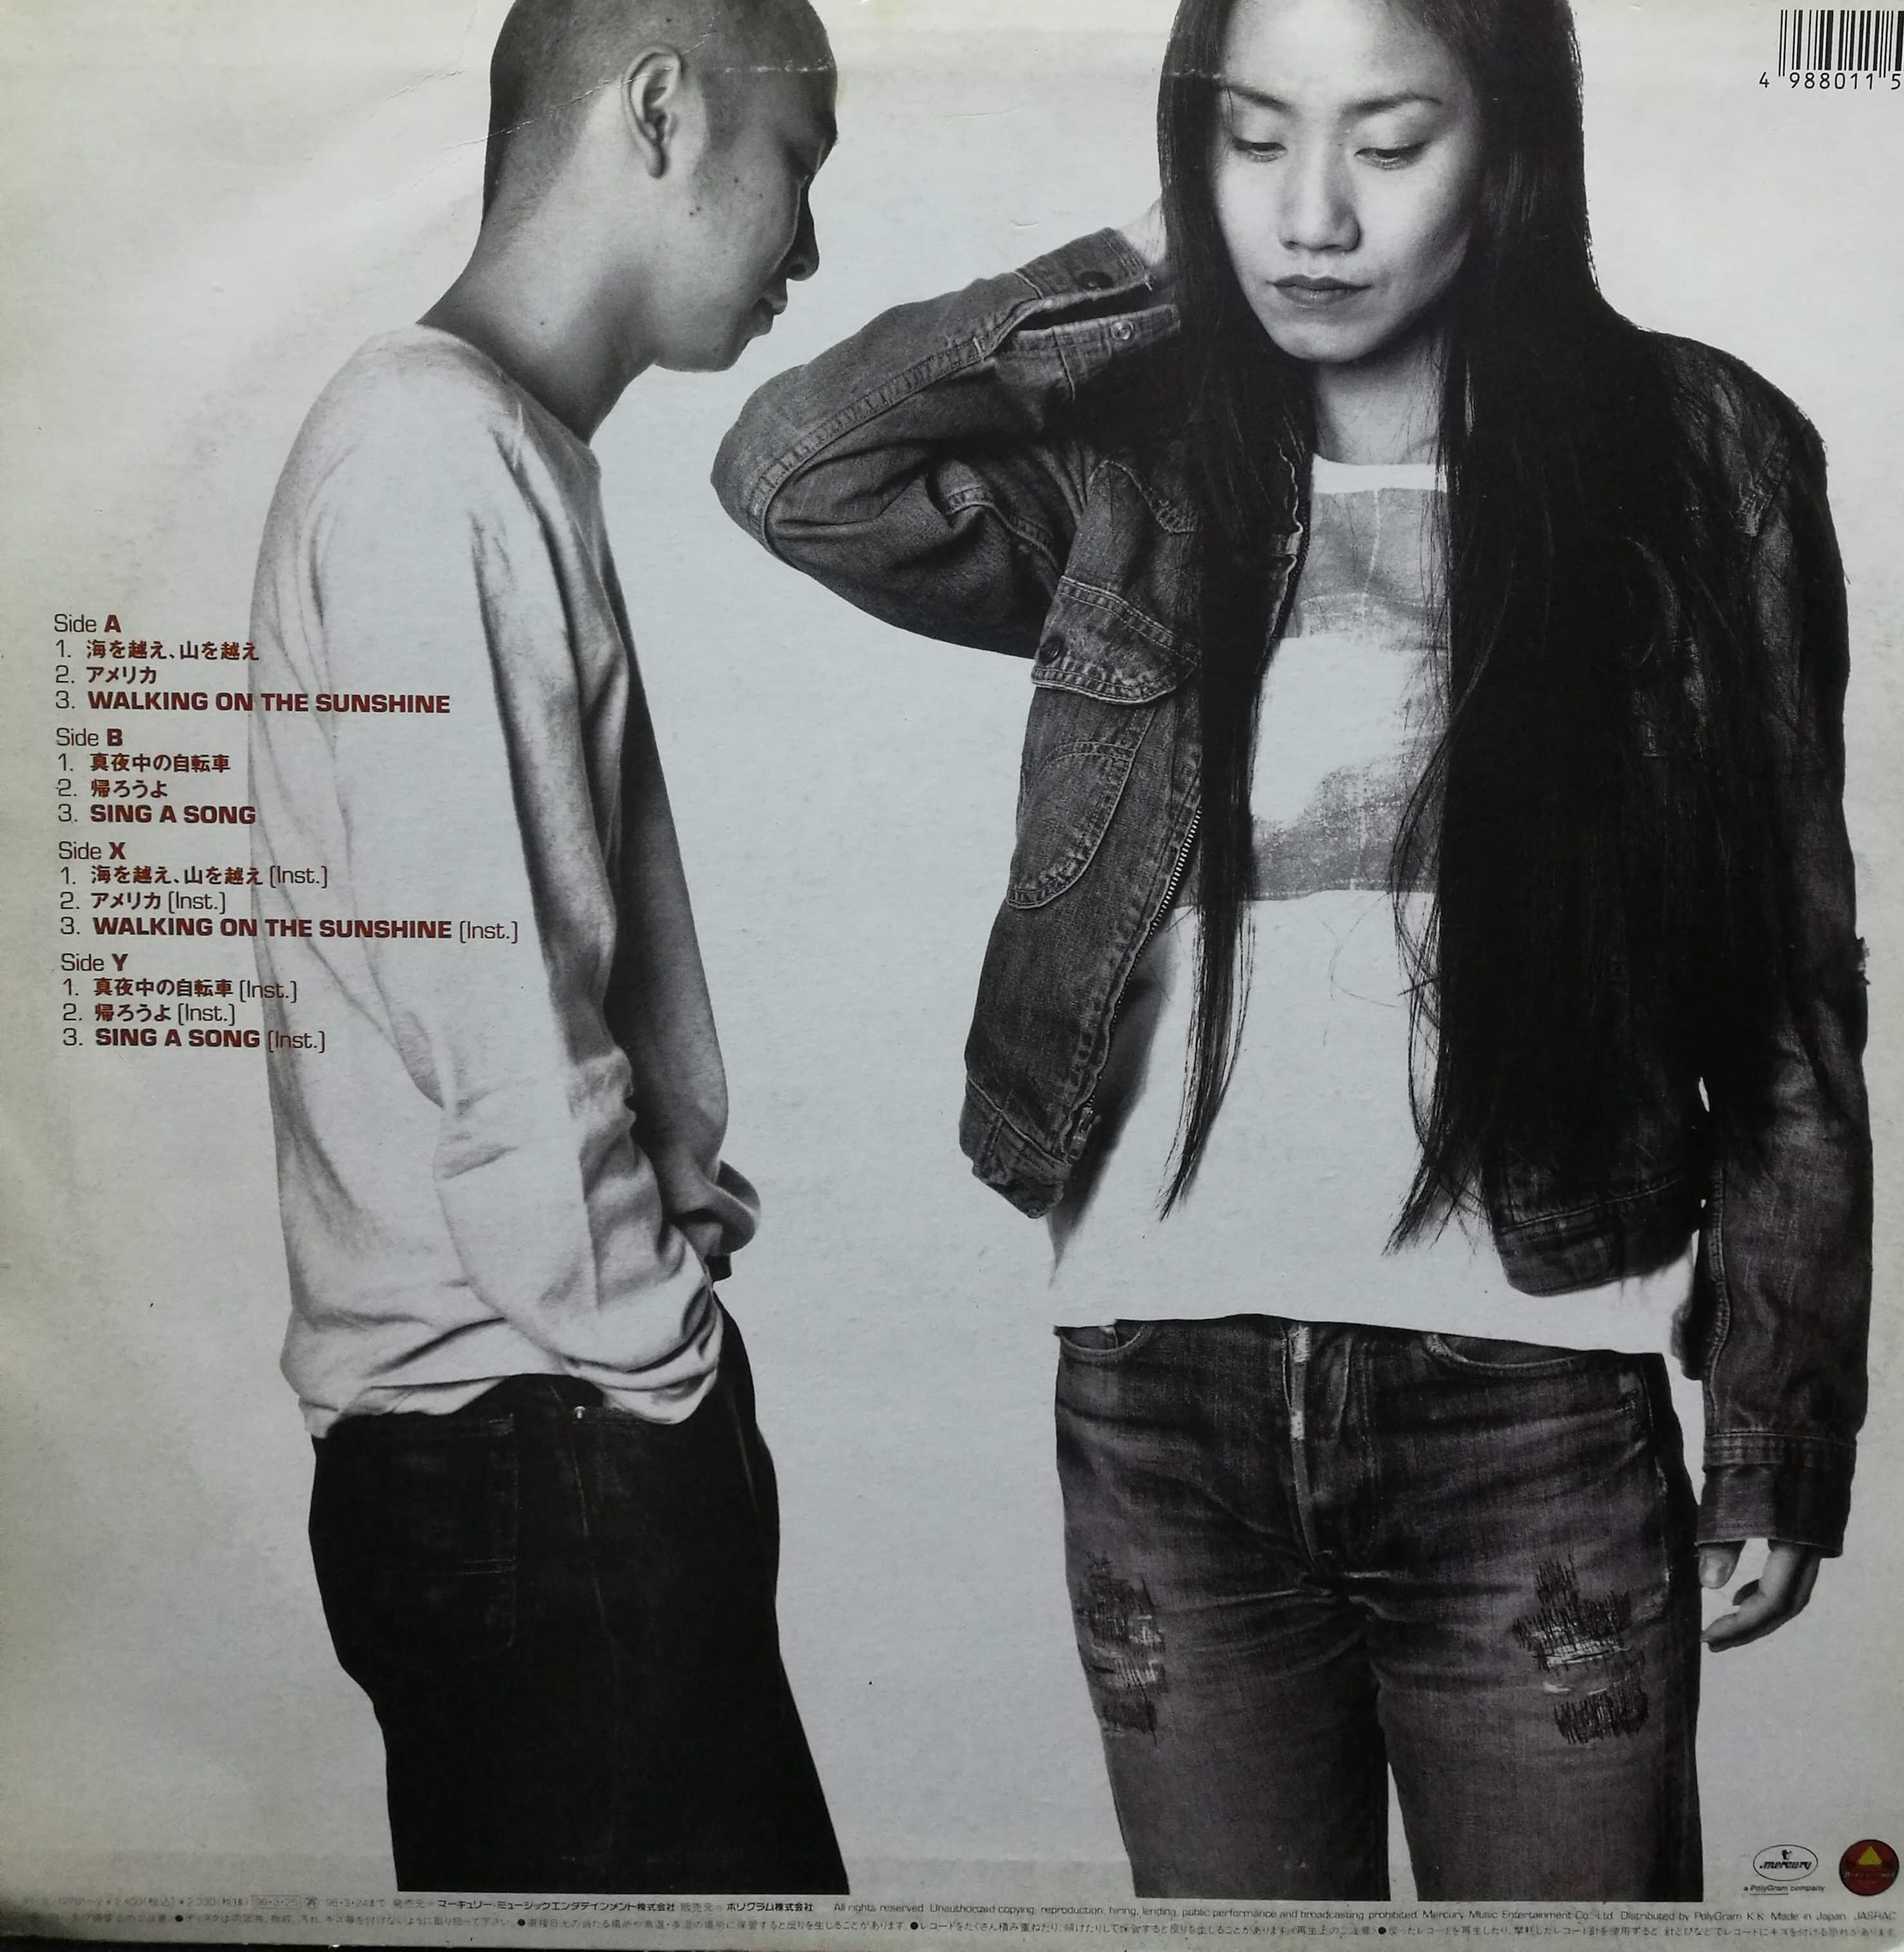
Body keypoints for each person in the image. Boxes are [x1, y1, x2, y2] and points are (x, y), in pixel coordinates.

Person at [712, 0, 1870, 1903]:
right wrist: (1157, 268)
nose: (1311, 214)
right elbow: (793, 468)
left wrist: (1779, 1419)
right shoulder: (1136, 470)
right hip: (1160, 1403)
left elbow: (1785, 985)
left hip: (1530, 1401)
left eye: (1387, 144)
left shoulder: (1697, 457)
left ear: (1512, 151)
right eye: (1252, 138)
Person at [246, 0, 846, 1895]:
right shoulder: (429, 457)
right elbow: (495, 1032)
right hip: (542, 1432)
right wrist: (665, 1367)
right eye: (801, 161)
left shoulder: (483, 446)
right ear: (662, 113)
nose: (811, 242)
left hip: (537, 1425)